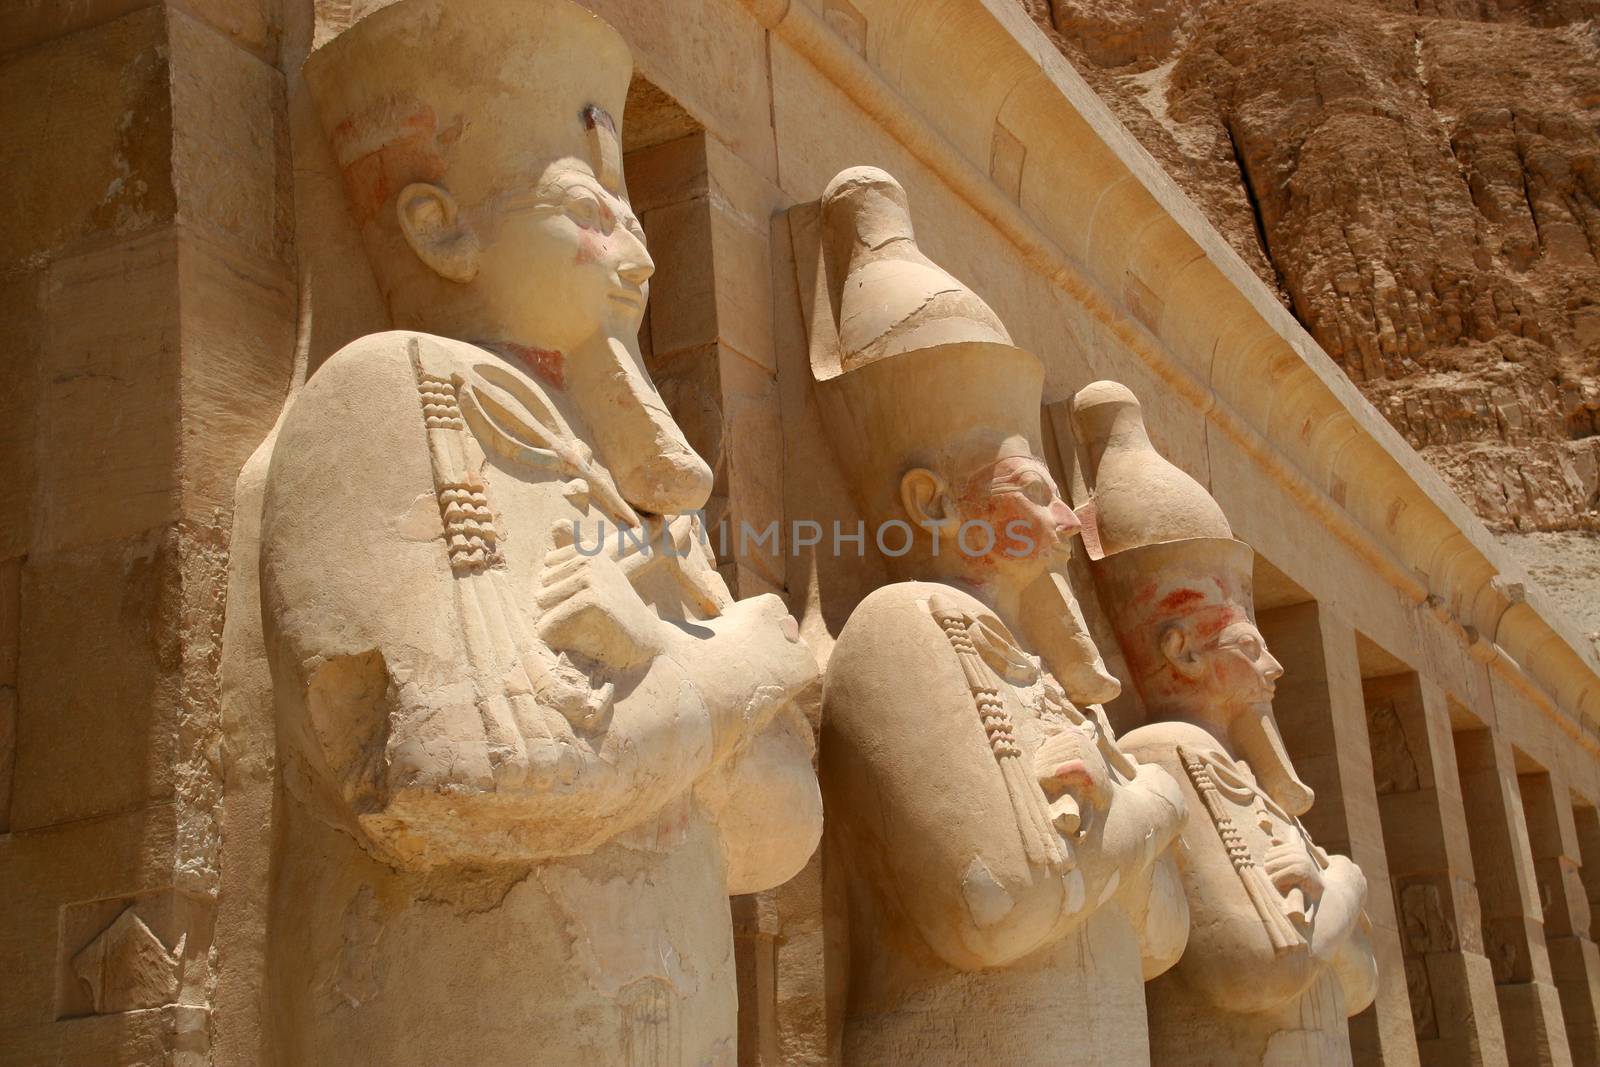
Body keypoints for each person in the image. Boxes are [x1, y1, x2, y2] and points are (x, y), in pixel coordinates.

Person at [252, 2, 821, 1062]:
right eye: (589, 211)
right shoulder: (392, 397)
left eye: (637, 218)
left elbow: (773, 834)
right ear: (438, 225)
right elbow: (458, 773)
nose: (639, 257)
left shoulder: (645, 499)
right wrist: (725, 671)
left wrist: (663, 670)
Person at [813, 167, 1188, 1066]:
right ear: (931, 500)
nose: (1066, 524)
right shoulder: (906, 627)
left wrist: (1111, 824)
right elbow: (999, 906)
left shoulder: (1053, 685)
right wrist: (1154, 804)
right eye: (1036, 492)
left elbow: (1159, 940)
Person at [1074, 379, 1378, 1065]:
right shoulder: (1170, 750)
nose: (1274, 667)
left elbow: (1359, 983)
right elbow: (1264, 966)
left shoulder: (1239, 773)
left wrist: (1325, 907)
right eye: (1249, 643)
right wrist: (1344, 886)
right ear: (1180, 648)